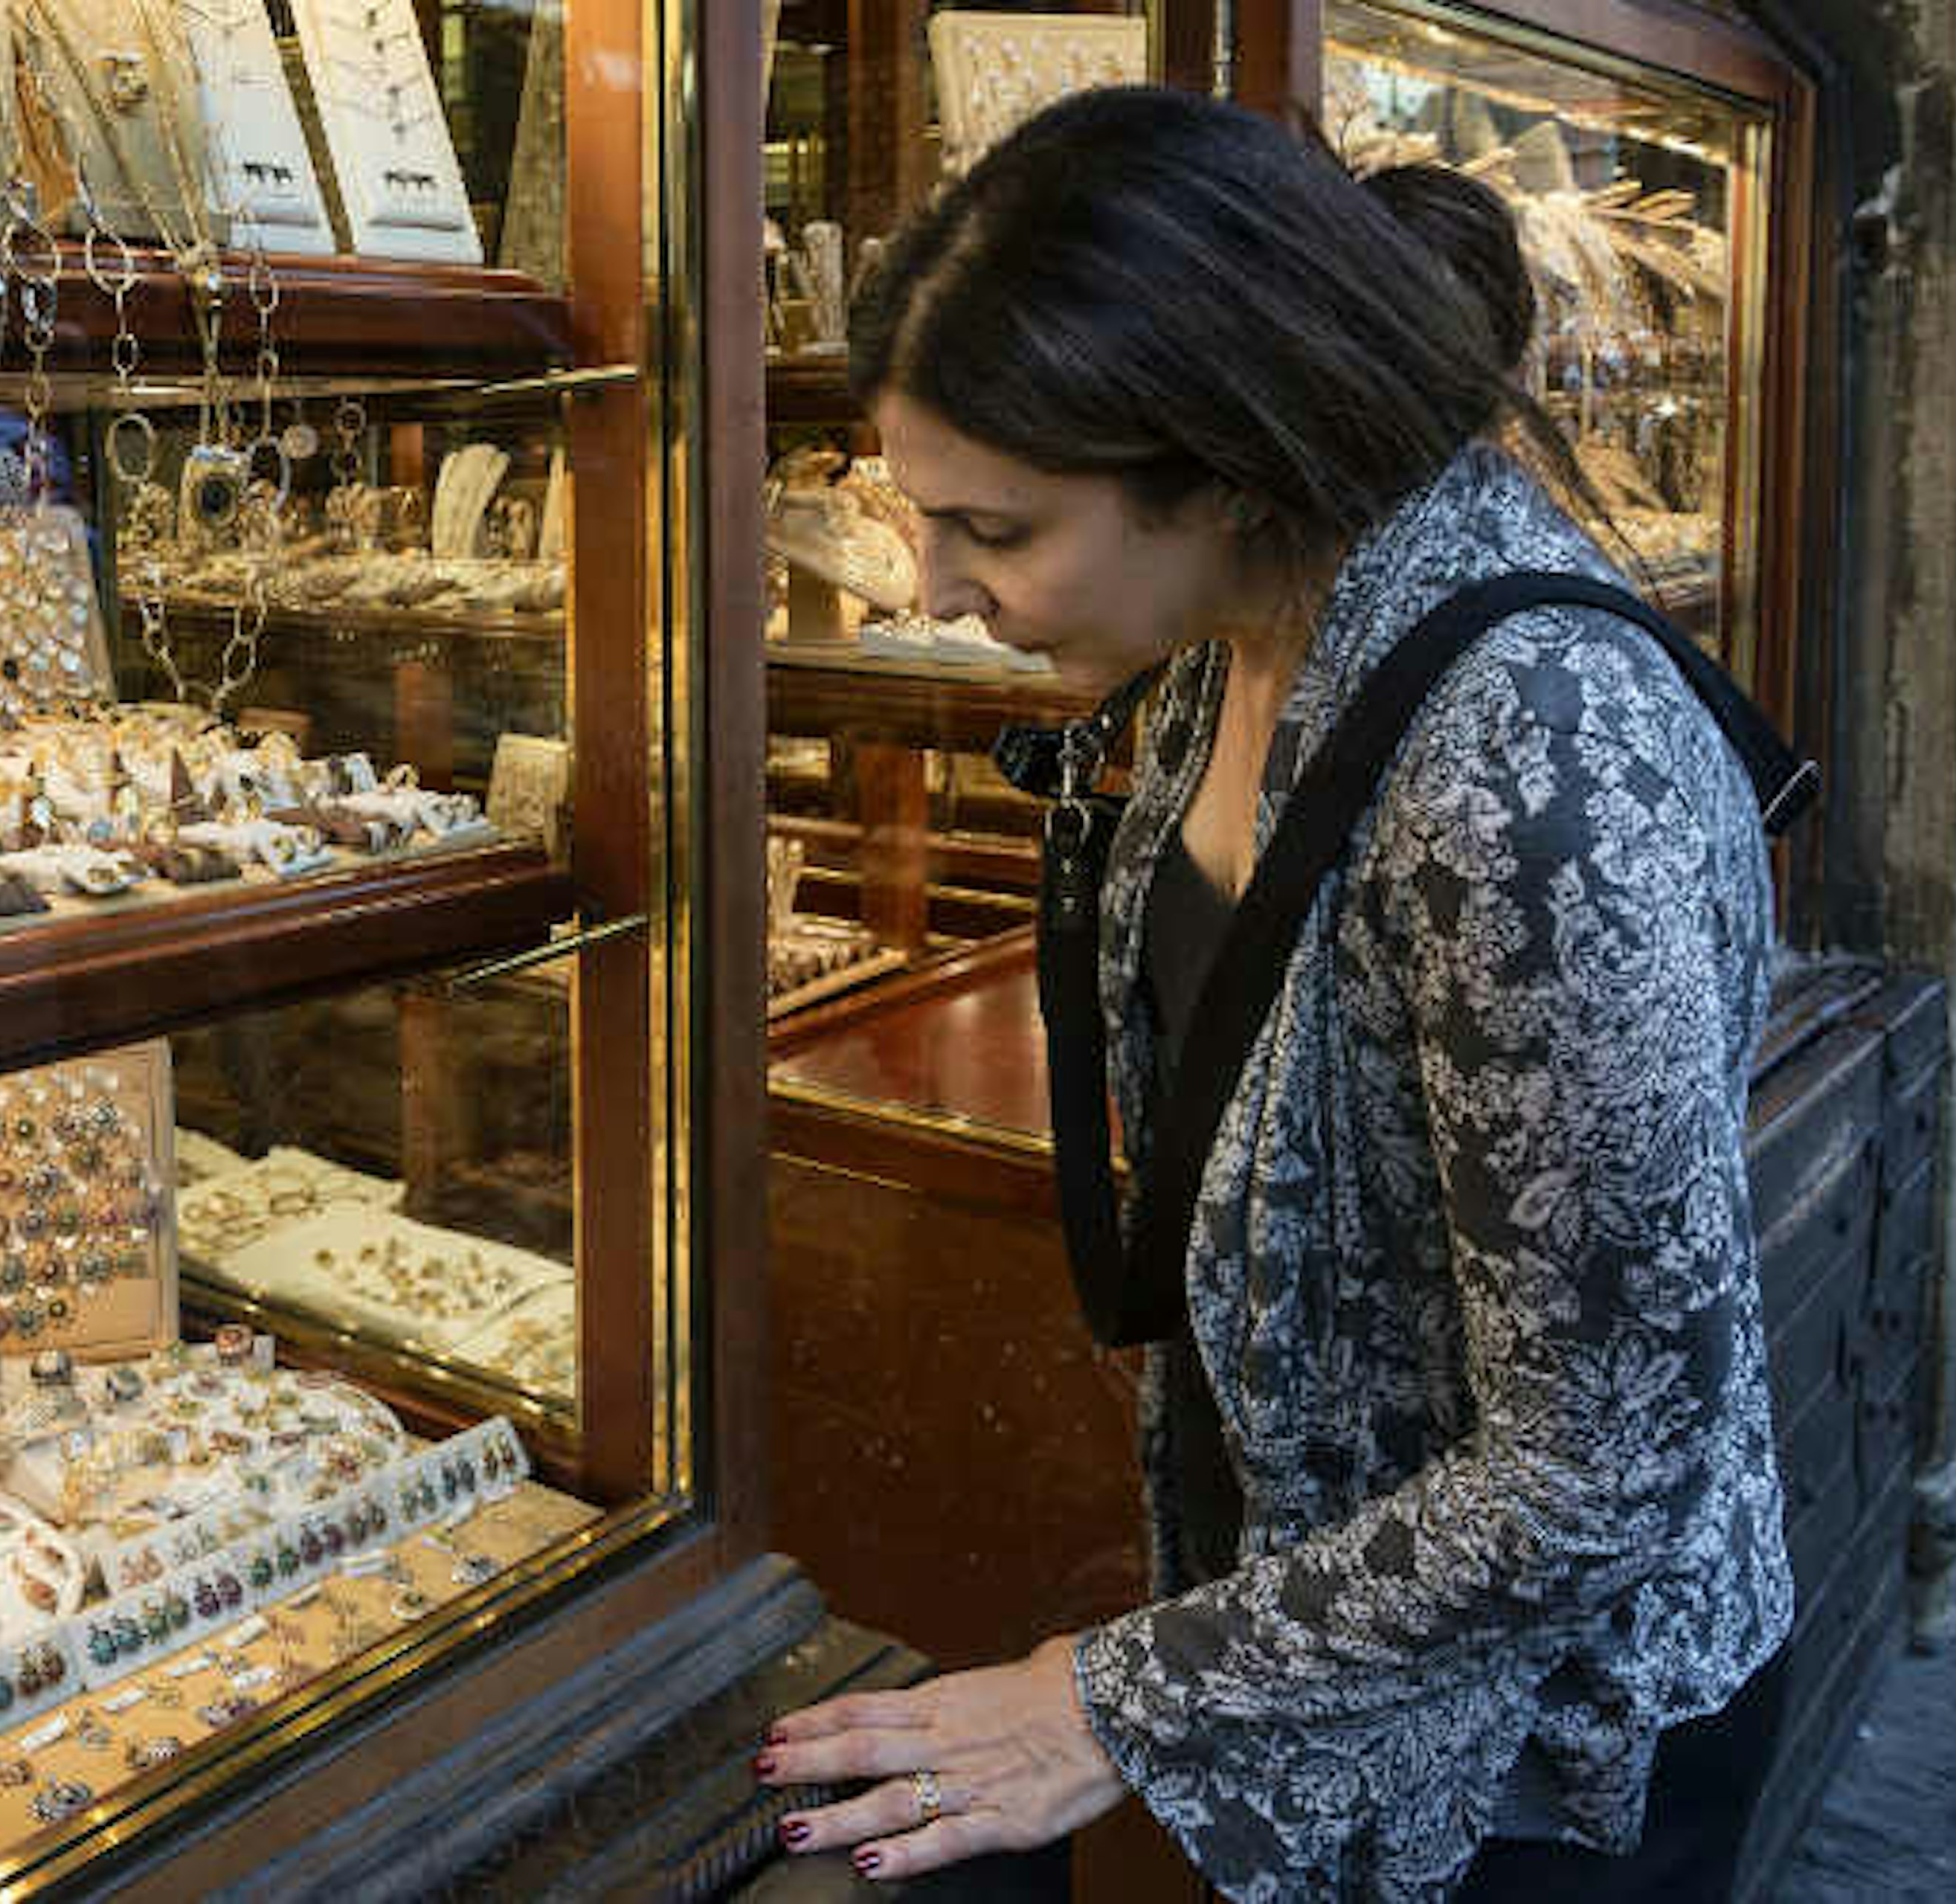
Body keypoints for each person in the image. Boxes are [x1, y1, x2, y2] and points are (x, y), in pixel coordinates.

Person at [755, 87, 1792, 1900]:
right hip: (1320, 1649)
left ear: (1224, 462)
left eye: (993, 529)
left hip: (1546, 1757)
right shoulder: (1234, 636)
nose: (938, 588)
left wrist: (1107, 1701)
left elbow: (1607, 1459)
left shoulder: (1530, 754)